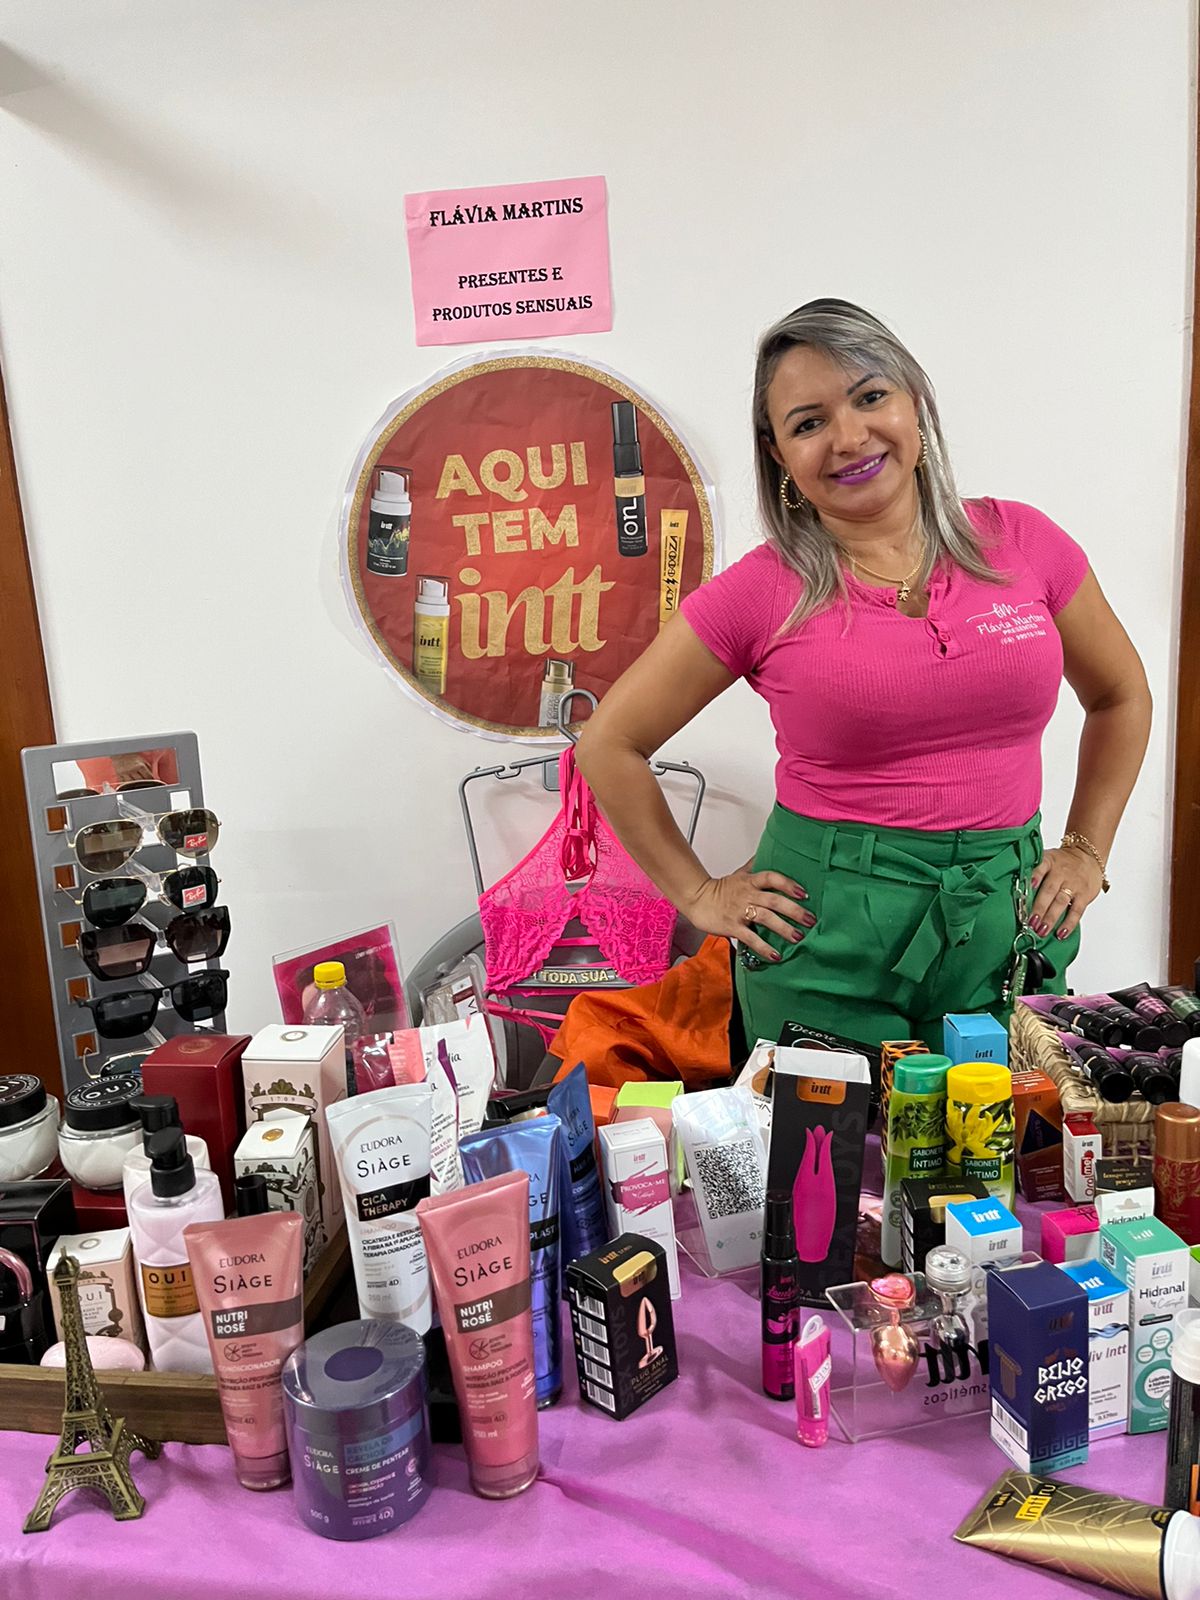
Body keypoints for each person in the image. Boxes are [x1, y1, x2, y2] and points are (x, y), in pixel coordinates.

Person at [576, 299, 1152, 1050]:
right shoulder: (762, 591)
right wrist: (698, 893)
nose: (849, 438)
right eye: (808, 423)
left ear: (915, 402)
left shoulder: (1023, 542)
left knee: (1005, 1125)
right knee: (835, 1133)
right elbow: (608, 742)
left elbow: (1120, 695)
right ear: (778, 454)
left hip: (1005, 923)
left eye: (870, 396)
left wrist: (1085, 848)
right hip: (825, 937)